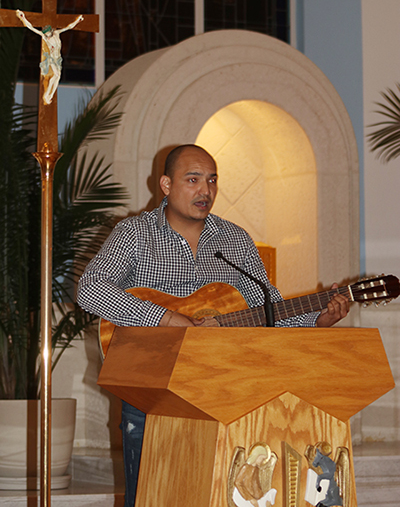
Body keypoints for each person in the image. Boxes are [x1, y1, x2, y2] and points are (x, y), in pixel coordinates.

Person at [77, 144, 349, 506]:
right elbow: (91, 288)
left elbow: (268, 309)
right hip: (151, 391)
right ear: (166, 184)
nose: (205, 191)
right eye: (193, 180)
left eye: (212, 180)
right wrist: (168, 318)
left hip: (221, 390)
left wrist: (319, 318)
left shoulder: (235, 239)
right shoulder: (135, 234)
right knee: (148, 497)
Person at [16, 10, 84, 105]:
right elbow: (31, 27)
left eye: (48, 34)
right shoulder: (44, 37)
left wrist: (78, 21)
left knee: (58, 76)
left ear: (51, 31)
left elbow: (68, 27)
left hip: (58, 59)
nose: (47, 37)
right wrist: (23, 18)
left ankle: (50, 95)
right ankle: (47, 94)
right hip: (51, 58)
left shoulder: (57, 33)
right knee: (56, 74)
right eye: (46, 35)